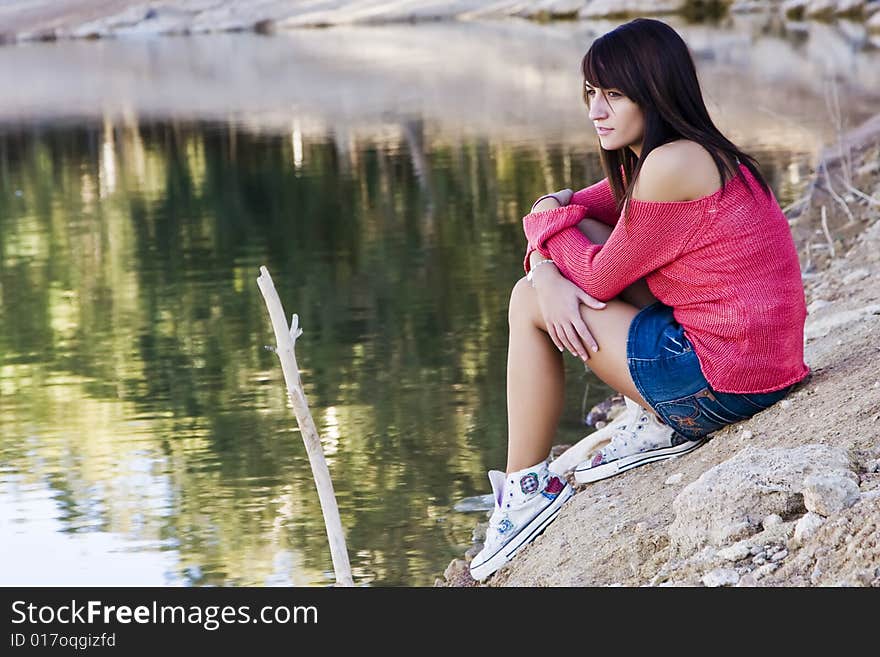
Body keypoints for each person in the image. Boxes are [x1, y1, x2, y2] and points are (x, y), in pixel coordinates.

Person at [468, 17, 810, 582]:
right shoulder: (693, 154)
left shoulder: (670, 166)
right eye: (590, 94)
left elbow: (596, 274)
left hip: (721, 385)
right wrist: (548, 253)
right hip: (758, 369)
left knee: (525, 302)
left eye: (614, 94)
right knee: (568, 260)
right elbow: (563, 208)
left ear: (654, 92)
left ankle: (525, 493)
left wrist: (544, 273)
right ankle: (649, 418)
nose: (595, 110)